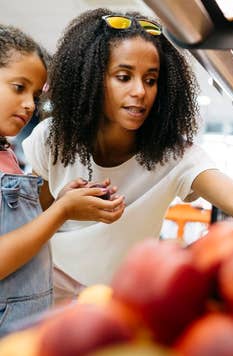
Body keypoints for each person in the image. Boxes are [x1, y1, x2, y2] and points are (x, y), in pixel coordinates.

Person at [23, 8, 233, 301]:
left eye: (151, 79)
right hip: (44, 296)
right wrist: (65, 209)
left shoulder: (173, 154)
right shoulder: (53, 140)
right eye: (124, 77)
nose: (140, 91)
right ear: (91, 80)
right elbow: (28, 225)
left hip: (121, 303)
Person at [0, 24, 125, 335]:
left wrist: (59, 198)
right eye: (18, 87)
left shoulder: (8, 155)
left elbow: (16, 229)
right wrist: (61, 212)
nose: (30, 104)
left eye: (34, 94)